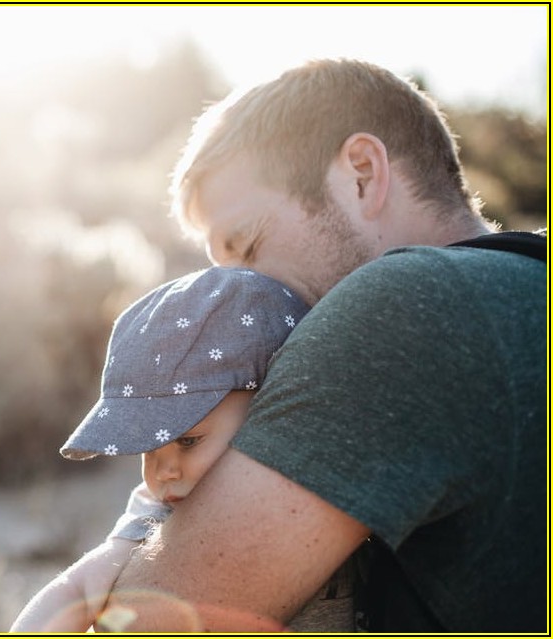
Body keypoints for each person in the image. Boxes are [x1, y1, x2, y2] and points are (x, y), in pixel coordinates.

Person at [98, 58, 546, 632]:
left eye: (248, 246)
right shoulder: (526, 283)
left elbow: (148, 625)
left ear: (361, 173)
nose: (235, 295)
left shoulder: (402, 305)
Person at [10, 266, 336, 632]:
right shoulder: (157, 513)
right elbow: (76, 587)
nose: (162, 472)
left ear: (270, 407)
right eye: (148, 449)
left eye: (188, 440)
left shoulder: (328, 476)